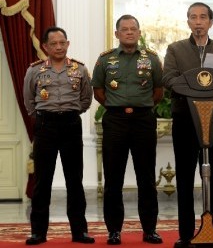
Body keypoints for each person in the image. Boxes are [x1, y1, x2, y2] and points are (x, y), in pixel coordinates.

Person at [162, 2, 213, 247]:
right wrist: (196, 85)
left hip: (212, 121)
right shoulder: (175, 49)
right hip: (185, 120)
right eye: (193, 17)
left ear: (211, 22)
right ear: (188, 22)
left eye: (203, 17)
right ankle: (185, 233)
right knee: (184, 177)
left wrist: (207, 87)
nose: (198, 21)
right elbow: (168, 78)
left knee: (211, 177)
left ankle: (211, 229)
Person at [91, 14, 164, 245]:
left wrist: (141, 107)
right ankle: (114, 230)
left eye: (134, 29)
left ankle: (150, 229)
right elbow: (99, 92)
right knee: (113, 178)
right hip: (115, 120)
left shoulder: (152, 59)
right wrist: (118, 107)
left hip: (143, 120)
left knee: (146, 177)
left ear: (139, 33)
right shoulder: (105, 60)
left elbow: (159, 92)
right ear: (117, 34)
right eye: (125, 29)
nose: (129, 32)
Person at [23, 26, 95, 245]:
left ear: (68, 44)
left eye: (62, 43)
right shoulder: (34, 70)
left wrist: (71, 113)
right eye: (53, 43)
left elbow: (86, 99)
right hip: (45, 126)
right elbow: (29, 100)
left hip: (71, 124)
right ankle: (38, 232)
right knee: (42, 181)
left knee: (75, 180)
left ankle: (79, 231)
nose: (58, 47)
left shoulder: (80, 69)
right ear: (45, 46)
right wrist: (43, 116)